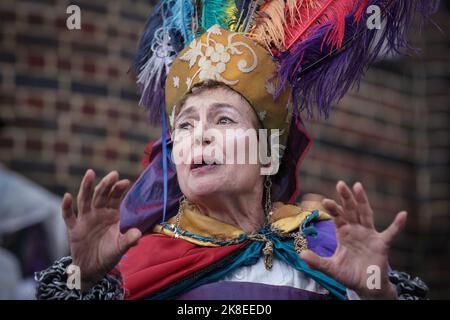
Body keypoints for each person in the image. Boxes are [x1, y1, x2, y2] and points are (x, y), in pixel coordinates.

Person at [35, 0, 436, 300]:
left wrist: (379, 293)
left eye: (224, 120)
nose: (199, 136)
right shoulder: (137, 258)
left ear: (268, 153)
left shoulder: (327, 249)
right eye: (185, 125)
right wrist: (82, 281)